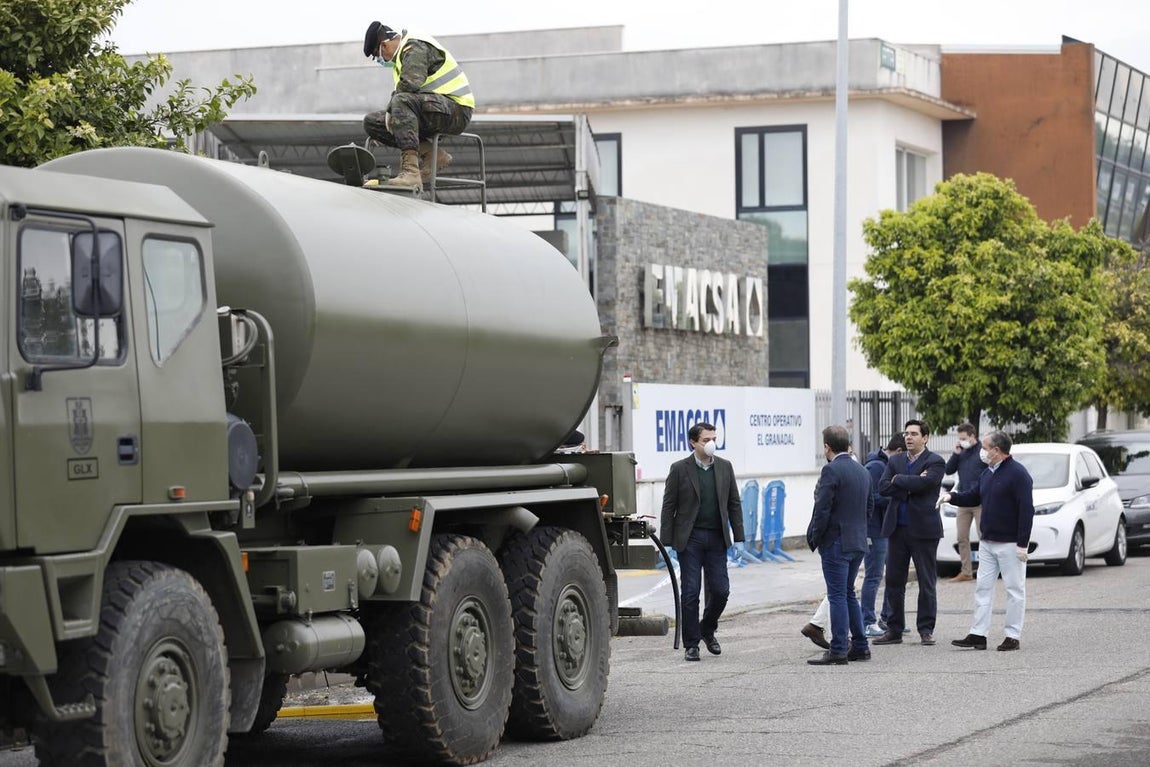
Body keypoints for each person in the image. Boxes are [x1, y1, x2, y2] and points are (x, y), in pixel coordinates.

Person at [941, 430, 1034, 651]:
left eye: (984, 448)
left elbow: (1026, 511)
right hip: (988, 542)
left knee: (1014, 589)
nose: (981, 452)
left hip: (1010, 543)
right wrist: (951, 497)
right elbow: (973, 495)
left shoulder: (1018, 474)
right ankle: (978, 634)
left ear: (996, 450)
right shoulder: (987, 473)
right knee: (983, 588)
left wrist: (1022, 544)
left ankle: (1012, 635)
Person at [660, 422, 745, 662]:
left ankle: (707, 628)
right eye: (706, 440)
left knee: (721, 591)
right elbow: (668, 506)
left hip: (717, 538)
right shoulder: (680, 469)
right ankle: (692, 644)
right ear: (693, 442)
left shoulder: (725, 467)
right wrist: (667, 541)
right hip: (691, 539)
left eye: (714, 439)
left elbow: (734, 503)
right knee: (690, 592)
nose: (711, 444)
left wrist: (739, 537)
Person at [362, 22, 475, 190]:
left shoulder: (414, 46)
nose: (380, 60)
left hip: (456, 110)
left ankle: (411, 174)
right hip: (433, 109)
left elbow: (410, 84)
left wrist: (392, 109)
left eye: (377, 56)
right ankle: (432, 154)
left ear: (384, 45)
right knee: (372, 122)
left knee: (401, 102)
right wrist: (391, 115)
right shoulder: (400, 59)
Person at [805, 425, 873, 665]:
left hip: (836, 542)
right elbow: (870, 507)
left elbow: (822, 509)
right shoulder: (862, 470)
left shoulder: (831, 470)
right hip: (857, 541)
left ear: (827, 447)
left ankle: (838, 649)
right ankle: (861, 646)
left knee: (837, 596)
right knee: (848, 593)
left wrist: (816, 537)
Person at [874, 419, 946, 647]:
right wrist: (911, 484)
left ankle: (926, 629)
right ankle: (894, 629)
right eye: (906, 433)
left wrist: (899, 481)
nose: (908, 437)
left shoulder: (935, 461)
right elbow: (883, 487)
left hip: (924, 530)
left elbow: (927, 484)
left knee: (926, 581)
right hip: (897, 528)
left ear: (925, 438)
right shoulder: (895, 460)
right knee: (894, 582)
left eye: (914, 434)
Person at [862, 434, 906, 636]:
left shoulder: (887, 466)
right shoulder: (875, 467)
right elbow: (869, 497)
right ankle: (867, 621)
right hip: (874, 529)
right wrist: (895, 497)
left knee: (893, 575)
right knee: (874, 575)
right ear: (899, 451)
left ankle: (888, 618)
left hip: (886, 528)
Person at [944, 422, 988, 582]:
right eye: (959, 438)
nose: (961, 441)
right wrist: (956, 454)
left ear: (972, 436)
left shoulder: (983, 452)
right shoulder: (961, 453)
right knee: (962, 537)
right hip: (963, 501)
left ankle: (987, 570)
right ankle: (966, 572)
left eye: (963, 438)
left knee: (985, 537)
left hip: (980, 501)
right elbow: (948, 470)